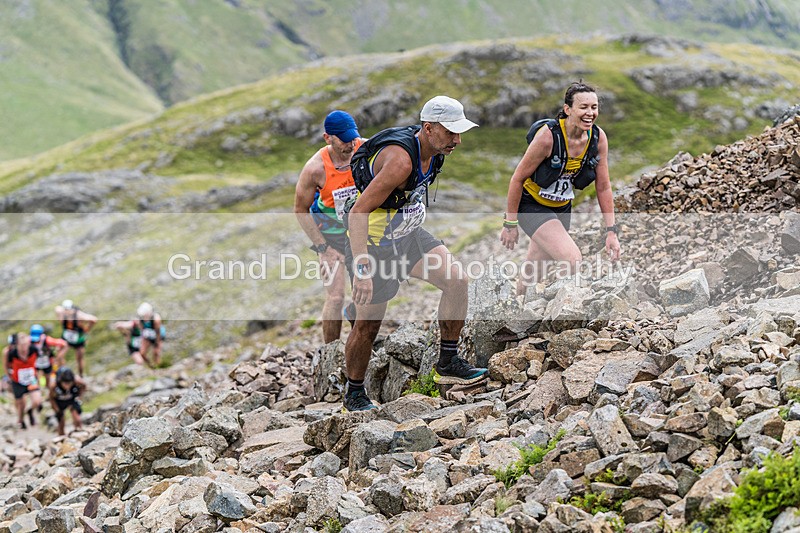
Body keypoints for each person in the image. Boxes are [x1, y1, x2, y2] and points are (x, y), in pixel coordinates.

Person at [342, 95, 488, 412]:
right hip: (375, 242)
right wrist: (362, 269)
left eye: (459, 132)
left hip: (408, 236)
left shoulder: (434, 151)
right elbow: (358, 212)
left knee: (457, 281)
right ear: (429, 127)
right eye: (451, 132)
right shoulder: (401, 163)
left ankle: (447, 362)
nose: (457, 140)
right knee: (368, 325)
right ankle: (354, 394)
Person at [500, 82, 621, 295]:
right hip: (532, 204)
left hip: (562, 207)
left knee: (536, 268)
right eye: (583, 107)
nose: (590, 113)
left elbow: (603, 187)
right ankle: (565, 311)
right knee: (572, 259)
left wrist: (611, 231)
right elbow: (517, 179)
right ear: (568, 110)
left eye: (594, 107)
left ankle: (514, 308)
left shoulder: (597, 137)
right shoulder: (548, 137)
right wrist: (510, 223)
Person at [294, 110, 364, 343]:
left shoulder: (363, 149)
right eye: (344, 140)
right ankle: (330, 351)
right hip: (330, 237)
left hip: (360, 233)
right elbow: (300, 210)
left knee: (365, 294)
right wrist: (323, 249)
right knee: (335, 298)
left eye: (353, 137)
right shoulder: (315, 169)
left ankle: (361, 342)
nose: (350, 144)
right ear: (328, 138)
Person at [3, 333, 43, 429]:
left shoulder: (34, 349)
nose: (24, 347)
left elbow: (40, 362)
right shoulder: (11, 353)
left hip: (31, 379)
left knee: (37, 401)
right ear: (17, 344)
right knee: (21, 404)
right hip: (17, 381)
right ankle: (21, 420)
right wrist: (10, 377)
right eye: (22, 345)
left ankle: (30, 412)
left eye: (26, 344)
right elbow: (6, 366)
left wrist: (38, 374)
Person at [55, 300, 98, 376]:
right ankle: (64, 374)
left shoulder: (78, 315)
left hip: (78, 339)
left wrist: (87, 329)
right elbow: (57, 308)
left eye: (69, 310)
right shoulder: (62, 313)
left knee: (79, 358)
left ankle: (81, 375)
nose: (67, 312)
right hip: (67, 338)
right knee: (59, 356)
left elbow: (93, 319)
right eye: (66, 310)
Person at [114, 303, 163, 367]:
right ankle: (151, 366)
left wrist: (157, 343)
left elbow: (158, 332)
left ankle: (158, 366)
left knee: (156, 352)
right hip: (147, 336)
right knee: (142, 353)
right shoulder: (140, 320)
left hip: (156, 336)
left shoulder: (156, 319)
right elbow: (134, 326)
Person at [30, 324, 68, 388]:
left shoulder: (47, 340)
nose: (35, 341)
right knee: (36, 378)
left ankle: (48, 389)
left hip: (47, 362)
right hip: (35, 363)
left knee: (48, 377)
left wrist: (59, 356)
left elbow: (63, 344)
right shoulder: (29, 341)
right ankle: (38, 390)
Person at [50, 367, 85, 436]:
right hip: (59, 401)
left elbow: (84, 386)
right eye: (65, 384)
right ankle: (61, 438)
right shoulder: (54, 385)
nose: (67, 386)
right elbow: (51, 398)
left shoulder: (77, 380)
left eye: (69, 383)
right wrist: (56, 409)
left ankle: (79, 434)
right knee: (61, 422)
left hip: (72, 398)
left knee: (77, 418)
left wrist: (80, 396)